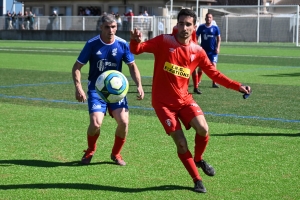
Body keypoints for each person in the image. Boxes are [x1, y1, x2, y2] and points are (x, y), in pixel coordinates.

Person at [130, 9, 251, 193]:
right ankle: (197, 179)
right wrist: (135, 40)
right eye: (181, 23)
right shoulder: (164, 41)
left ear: (195, 27)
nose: (184, 27)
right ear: (176, 25)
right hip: (162, 104)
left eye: (188, 24)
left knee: (203, 129)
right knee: (181, 143)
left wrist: (237, 86)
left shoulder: (198, 51)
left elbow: (214, 74)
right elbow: (137, 50)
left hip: (184, 99)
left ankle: (198, 159)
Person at [72, 14, 144, 166]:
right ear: (101, 27)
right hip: (96, 90)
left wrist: (139, 85)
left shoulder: (122, 44)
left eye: (113, 27)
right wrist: (78, 87)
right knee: (95, 124)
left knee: (124, 122)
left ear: (116, 27)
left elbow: (132, 66)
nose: (111, 30)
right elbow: (77, 67)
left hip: (117, 91)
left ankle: (116, 154)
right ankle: (90, 150)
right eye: (107, 27)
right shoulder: (92, 44)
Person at [196, 13, 221, 89]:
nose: (208, 19)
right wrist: (196, 46)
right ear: (205, 18)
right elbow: (196, 37)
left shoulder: (215, 28)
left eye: (210, 17)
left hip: (213, 51)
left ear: (212, 19)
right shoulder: (201, 27)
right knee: (201, 67)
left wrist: (218, 47)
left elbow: (219, 39)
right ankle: (198, 81)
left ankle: (214, 82)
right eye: (207, 17)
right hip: (203, 51)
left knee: (213, 66)